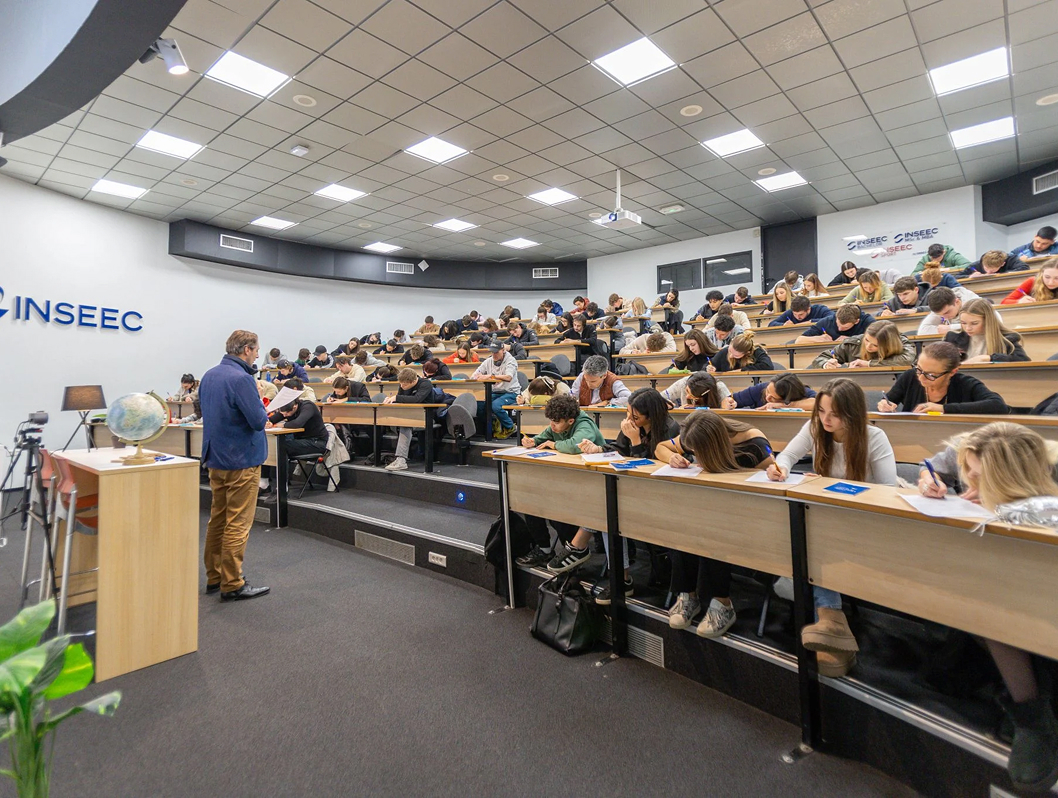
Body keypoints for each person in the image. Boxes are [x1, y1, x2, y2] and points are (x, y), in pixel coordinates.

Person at [922, 424, 1058, 792]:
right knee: (987, 598)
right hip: (1015, 599)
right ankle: (1031, 712)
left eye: (979, 479)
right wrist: (929, 480)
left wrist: (1002, 505)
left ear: (1011, 478)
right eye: (969, 475)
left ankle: (1034, 715)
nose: (969, 486)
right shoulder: (987, 449)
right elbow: (940, 462)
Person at [768, 378, 898, 677]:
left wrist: (839, 489)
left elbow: (889, 489)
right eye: (822, 411)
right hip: (828, 516)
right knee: (811, 537)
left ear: (852, 413)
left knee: (815, 544)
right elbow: (787, 456)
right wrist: (782, 468)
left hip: (865, 518)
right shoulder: (816, 428)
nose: (826, 420)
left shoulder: (874, 437)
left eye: (834, 414)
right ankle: (832, 623)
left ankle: (830, 624)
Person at [655, 412, 775, 636]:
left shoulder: (754, 443)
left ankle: (722, 603)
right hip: (708, 507)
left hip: (744, 513)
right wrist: (670, 457)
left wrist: (773, 472)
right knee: (686, 524)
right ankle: (688, 595)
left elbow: (772, 475)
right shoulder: (697, 433)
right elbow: (661, 447)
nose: (695, 455)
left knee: (713, 529)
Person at [571, 389, 681, 601]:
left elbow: (650, 467)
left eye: (635, 416)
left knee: (606, 508)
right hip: (630, 490)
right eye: (628, 413)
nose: (629, 419)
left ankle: (579, 547)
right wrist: (597, 449)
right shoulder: (633, 425)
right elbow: (619, 449)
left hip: (657, 494)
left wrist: (636, 441)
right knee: (605, 507)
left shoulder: (670, 429)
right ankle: (619, 577)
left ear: (651, 416)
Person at [198, 330, 271, 601]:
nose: (257, 355)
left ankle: (214, 577)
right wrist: (259, 397)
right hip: (241, 460)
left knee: (218, 519)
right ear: (246, 350)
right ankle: (232, 583)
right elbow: (257, 421)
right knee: (238, 523)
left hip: (216, 458)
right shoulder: (242, 379)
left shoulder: (209, 375)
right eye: (256, 350)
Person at [515, 395, 608, 568]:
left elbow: (574, 445)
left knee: (558, 510)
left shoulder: (584, 424)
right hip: (567, 479)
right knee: (531, 500)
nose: (552, 425)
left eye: (556, 422)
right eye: (550, 421)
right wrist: (532, 441)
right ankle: (543, 549)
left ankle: (574, 550)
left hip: (592, 482)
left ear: (571, 421)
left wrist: (553, 445)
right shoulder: (557, 425)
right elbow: (544, 436)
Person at [877, 341, 1009, 414]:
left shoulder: (965, 383)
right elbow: (889, 400)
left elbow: (998, 405)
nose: (921, 378)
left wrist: (943, 408)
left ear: (952, 372)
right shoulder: (910, 376)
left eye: (930, 375)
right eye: (919, 369)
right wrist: (884, 405)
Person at [380, 368, 436, 472]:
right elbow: (401, 399)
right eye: (400, 384)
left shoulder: (426, 384)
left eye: (404, 385)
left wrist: (397, 398)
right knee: (395, 421)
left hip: (426, 417)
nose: (402, 387)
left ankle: (401, 460)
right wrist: (391, 401)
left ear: (414, 381)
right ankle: (399, 457)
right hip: (408, 416)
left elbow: (417, 399)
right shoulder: (403, 384)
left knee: (405, 425)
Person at [944, 298, 1029, 363]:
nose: (968, 328)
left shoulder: (1006, 339)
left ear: (987, 321)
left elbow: (1023, 360)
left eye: (974, 323)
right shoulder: (952, 337)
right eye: (963, 323)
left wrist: (988, 358)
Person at [809, 320, 915, 369]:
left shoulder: (901, 341)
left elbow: (906, 361)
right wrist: (826, 364)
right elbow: (820, 358)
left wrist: (868, 364)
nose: (868, 346)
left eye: (875, 345)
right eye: (867, 340)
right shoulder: (853, 343)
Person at [470, 341, 520, 438]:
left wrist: (490, 376)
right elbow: (474, 375)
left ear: (503, 350)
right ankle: (494, 425)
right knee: (480, 406)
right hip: (495, 392)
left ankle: (511, 427)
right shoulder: (489, 361)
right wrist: (478, 377)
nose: (494, 355)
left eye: (496, 352)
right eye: (492, 352)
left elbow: (508, 377)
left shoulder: (511, 361)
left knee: (495, 406)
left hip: (511, 392)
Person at [917, 285, 995, 335]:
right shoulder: (941, 306)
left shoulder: (973, 302)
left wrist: (951, 328)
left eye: (947, 312)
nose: (945, 317)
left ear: (957, 302)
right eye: (940, 315)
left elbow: (994, 322)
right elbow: (922, 331)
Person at [722, 373, 816, 410]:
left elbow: (817, 403)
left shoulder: (802, 391)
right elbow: (731, 398)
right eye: (767, 392)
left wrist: (784, 406)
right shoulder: (761, 388)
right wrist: (727, 402)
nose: (767, 398)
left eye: (773, 398)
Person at [795, 303, 875, 343]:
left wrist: (853, 340)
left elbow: (880, 339)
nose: (840, 329)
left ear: (856, 321)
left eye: (845, 327)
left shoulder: (868, 321)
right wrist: (817, 338)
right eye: (838, 325)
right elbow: (799, 340)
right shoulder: (828, 320)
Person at [708, 332, 774, 372]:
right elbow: (709, 364)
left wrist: (742, 370)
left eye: (736, 355)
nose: (730, 356)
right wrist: (709, 368)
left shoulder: (756, 351)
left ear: (746, 353)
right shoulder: (725, 351)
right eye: (730, 351)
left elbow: (768, 366)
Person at [660, 371, 730, 408]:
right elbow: (661, 397)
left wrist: (728, 404)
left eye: (693, 396)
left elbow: (728, 406)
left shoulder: (720, 388)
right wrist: (664, 403)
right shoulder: (684, 383)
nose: (687, 396)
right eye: (687, 390)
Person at [767, 295, 833, 327]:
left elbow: (833, 318)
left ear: (808, 309)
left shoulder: (820, 309)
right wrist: (783, 324)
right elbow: (771, 324)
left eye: (801, 314)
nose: (797, 317)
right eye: (795, 314)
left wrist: (811, 321)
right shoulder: (790, 312)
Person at [961, 248, 1028, 278]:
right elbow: (957, 277)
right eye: (986, 268)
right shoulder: (976, 265)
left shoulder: (1010, 259)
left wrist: (1002, 274)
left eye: (993, 270)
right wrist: (970, 276)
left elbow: (1024, 267)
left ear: (1002, 264)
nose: (989, 272)